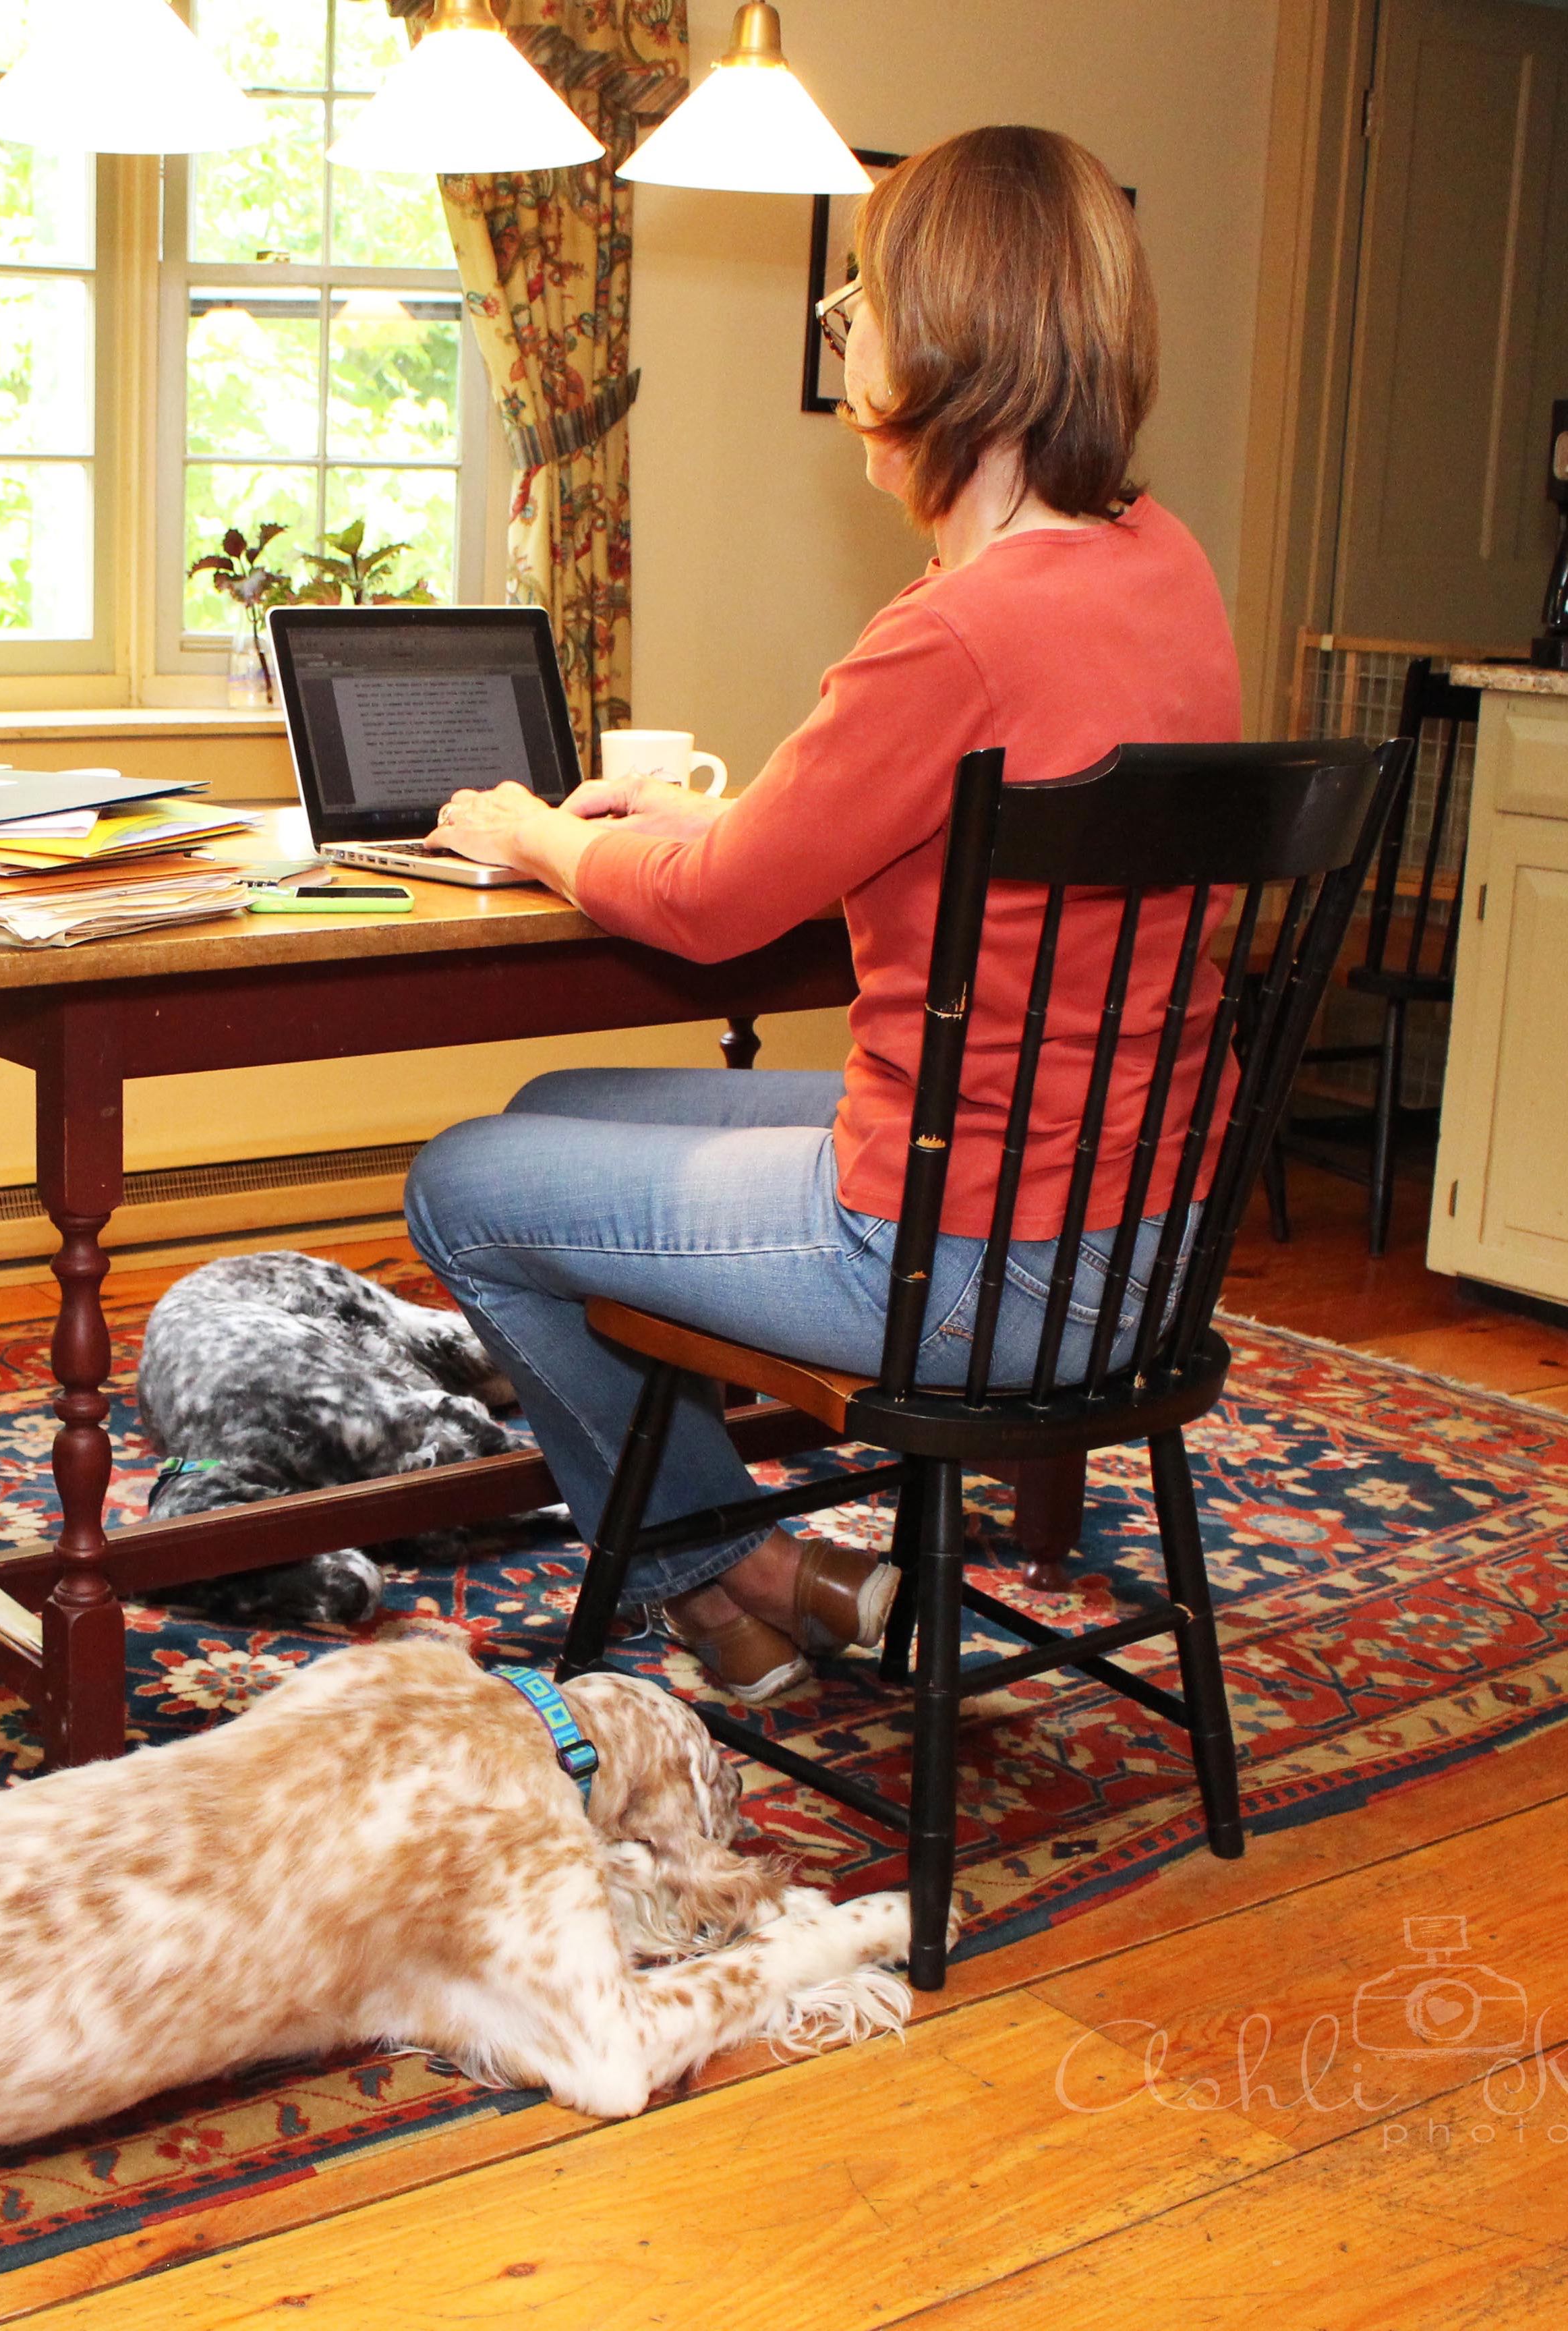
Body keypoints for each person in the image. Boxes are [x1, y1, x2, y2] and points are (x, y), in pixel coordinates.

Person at [402, 125, 1242, 1704]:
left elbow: (718, 915)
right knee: (560, 1107)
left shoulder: (957, 633)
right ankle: (748, 1581)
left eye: (865, 293)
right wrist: (705, 819)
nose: (848, 326)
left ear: (941, 341)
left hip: (966, 1262)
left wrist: (532, 833)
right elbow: (934, 832)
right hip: (1142, 1241)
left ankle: (731, 1573)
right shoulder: (1163, 565)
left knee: (462, 1183)